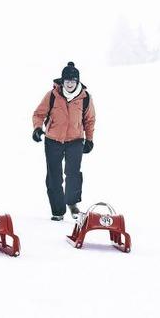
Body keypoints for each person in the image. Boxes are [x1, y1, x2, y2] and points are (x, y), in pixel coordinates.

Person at [32, 62, 96, 221]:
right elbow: (39, 114)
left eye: (72, 81)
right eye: (67, 81)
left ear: (77, 82)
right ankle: (58, 210)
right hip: (53, 140)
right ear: (62, 81)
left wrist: (89, 139)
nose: (69, 84)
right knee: (54, 176)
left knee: (73, 174)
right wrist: (37, 129)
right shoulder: (52, 95)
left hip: (75, 140)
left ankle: (72, 204)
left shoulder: (85, 97)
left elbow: (90, 120)